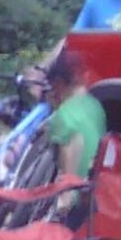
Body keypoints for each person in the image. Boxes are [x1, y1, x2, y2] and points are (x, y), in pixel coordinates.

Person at [40, 49, 106, 183]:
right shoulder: (96, 106)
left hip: (75, 191)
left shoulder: (63, 116)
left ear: (58, 83)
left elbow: (67, 172)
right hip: (96, 187)